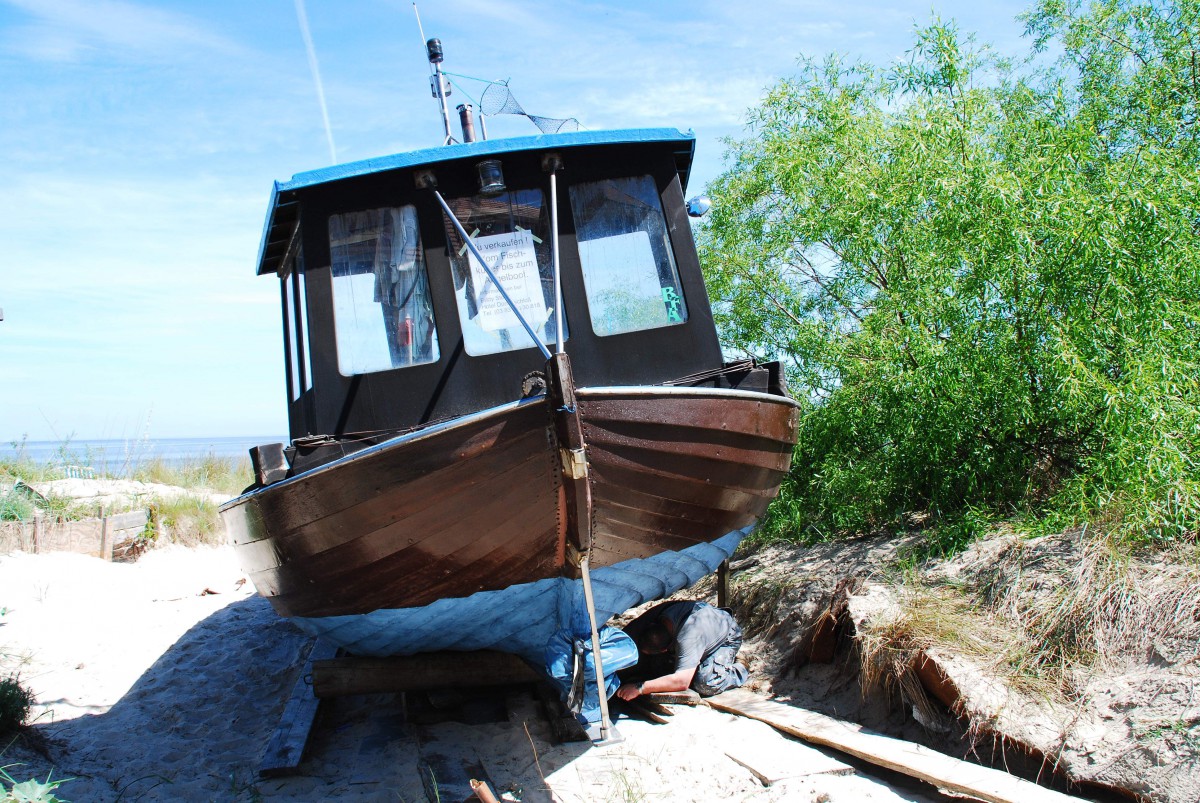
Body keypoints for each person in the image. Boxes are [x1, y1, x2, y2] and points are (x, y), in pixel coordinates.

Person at [615, 600, 749, 700]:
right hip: (704, 626)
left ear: (664, 650)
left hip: (727, 636)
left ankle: (740, 668)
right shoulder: (654, 618)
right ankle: (694, 661)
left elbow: (682, 681)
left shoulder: (688, 639)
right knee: (657, 670)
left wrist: (639, 688)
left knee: (705, 683)